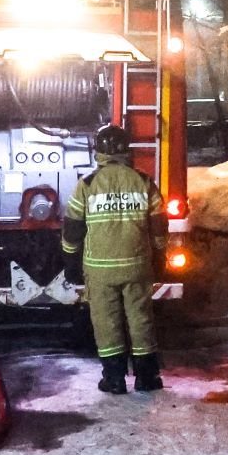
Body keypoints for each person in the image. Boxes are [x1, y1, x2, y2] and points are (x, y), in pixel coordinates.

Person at [61, 125, 166, 394]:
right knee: (141, 319)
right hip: (137, 265)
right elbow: (158, 226)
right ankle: (146, 378)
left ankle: (114, 379)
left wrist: (70, 261)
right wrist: (160, 256)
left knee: (106, 322)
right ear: (126, 150)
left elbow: (73, 228)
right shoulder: (143, 182)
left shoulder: (87, 184)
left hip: (100, 270)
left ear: (98, 151)